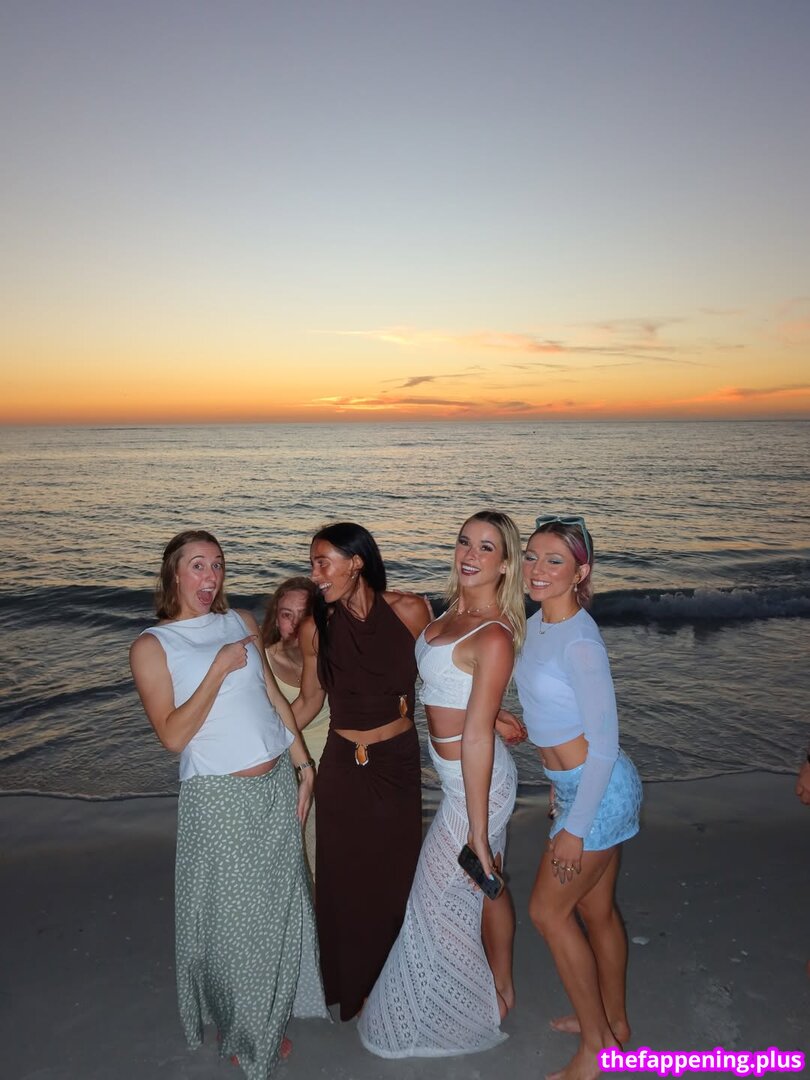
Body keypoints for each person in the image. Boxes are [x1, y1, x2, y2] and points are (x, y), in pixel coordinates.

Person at [129, 530, 328, 1079]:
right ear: (173, 574)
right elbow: (172, 736)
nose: (210, 576)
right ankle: (243, 1026)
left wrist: (303, 765)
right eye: (197, 565)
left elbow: (272, 698)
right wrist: (217, 670)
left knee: (277, 908)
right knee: (231, 922)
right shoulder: (152, 646)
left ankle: (263, 1009)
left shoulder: (239, 621)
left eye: (217, 564)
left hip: (274, 787)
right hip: (218, 798)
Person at [359, 510, 526, 1058]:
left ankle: (467, 1006)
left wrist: (476, 829)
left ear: (506, 565)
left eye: (486, 548)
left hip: (478, 786)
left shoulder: (494, 635)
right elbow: (450, 688)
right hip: (461, 777)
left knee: (432, 900)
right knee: (483, 884)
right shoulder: (449, 612)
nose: (470, 555)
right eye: (464, 542)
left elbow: (474, 737)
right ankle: (499, 986)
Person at [513, 515, 642, 1080]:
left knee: (548, 912)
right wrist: (555, 784)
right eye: (532, 556)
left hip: (599, 792)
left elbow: (605, 746)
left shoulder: (582, 642)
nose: (537, 569)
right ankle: (615, 1024)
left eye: (554, 560)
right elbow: (554, 713)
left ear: (580, 572)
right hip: (574, 787)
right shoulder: (539, 623)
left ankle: (596, 1050)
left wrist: (574, 827)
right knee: (595, 911)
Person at [292, 522, 432, 1021]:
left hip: (397, 764)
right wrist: (262, 735)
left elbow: (440, 679)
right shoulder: (315, 628)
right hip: (342, 768)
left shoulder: (411, 611)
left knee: (396, 876)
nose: (315, 575)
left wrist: (490, 715)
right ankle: (355, 987)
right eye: (312, 564)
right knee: (346, 880)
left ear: (356, 562)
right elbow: (309, 701)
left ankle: (394, 984)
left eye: (322, 562)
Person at [261, 576, 331, 877]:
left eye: (302, 616)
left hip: (335, 767)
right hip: (290, 770)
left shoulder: (329, 657)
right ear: (275, 617)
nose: (293, 625)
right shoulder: (263, 662)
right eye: (286, 615)